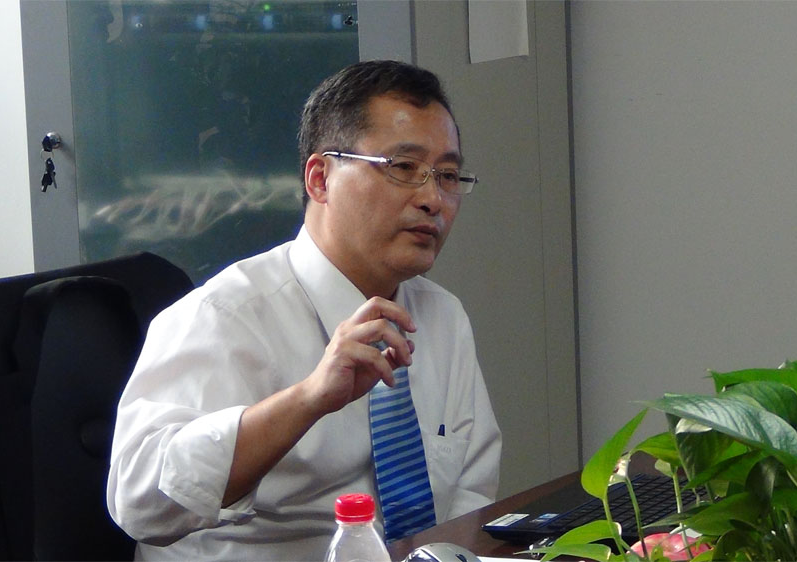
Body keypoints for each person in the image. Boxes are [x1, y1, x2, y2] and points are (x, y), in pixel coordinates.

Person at [107, 60, 502, 561]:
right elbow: (138, 503)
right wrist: (308, 399)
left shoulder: (443, 318)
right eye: (403, 168)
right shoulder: (224, 317)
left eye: (446, 175)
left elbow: (468, 500)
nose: (433, 199)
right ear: (320, 179)